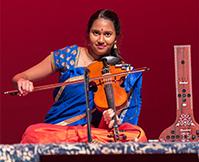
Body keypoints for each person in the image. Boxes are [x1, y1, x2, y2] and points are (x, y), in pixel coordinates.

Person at [12, 9, 147, 143]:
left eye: (107, 34)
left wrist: (107, 121)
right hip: (59, 131)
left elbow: (109, 128)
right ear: (88, 34)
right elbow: (20, 76)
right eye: (96, 33)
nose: (101, 40)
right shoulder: (69, 56)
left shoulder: (122, 74)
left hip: (93, 133)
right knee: (32, 133)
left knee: (138, 135)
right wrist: (22, 81)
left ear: (115, 38)